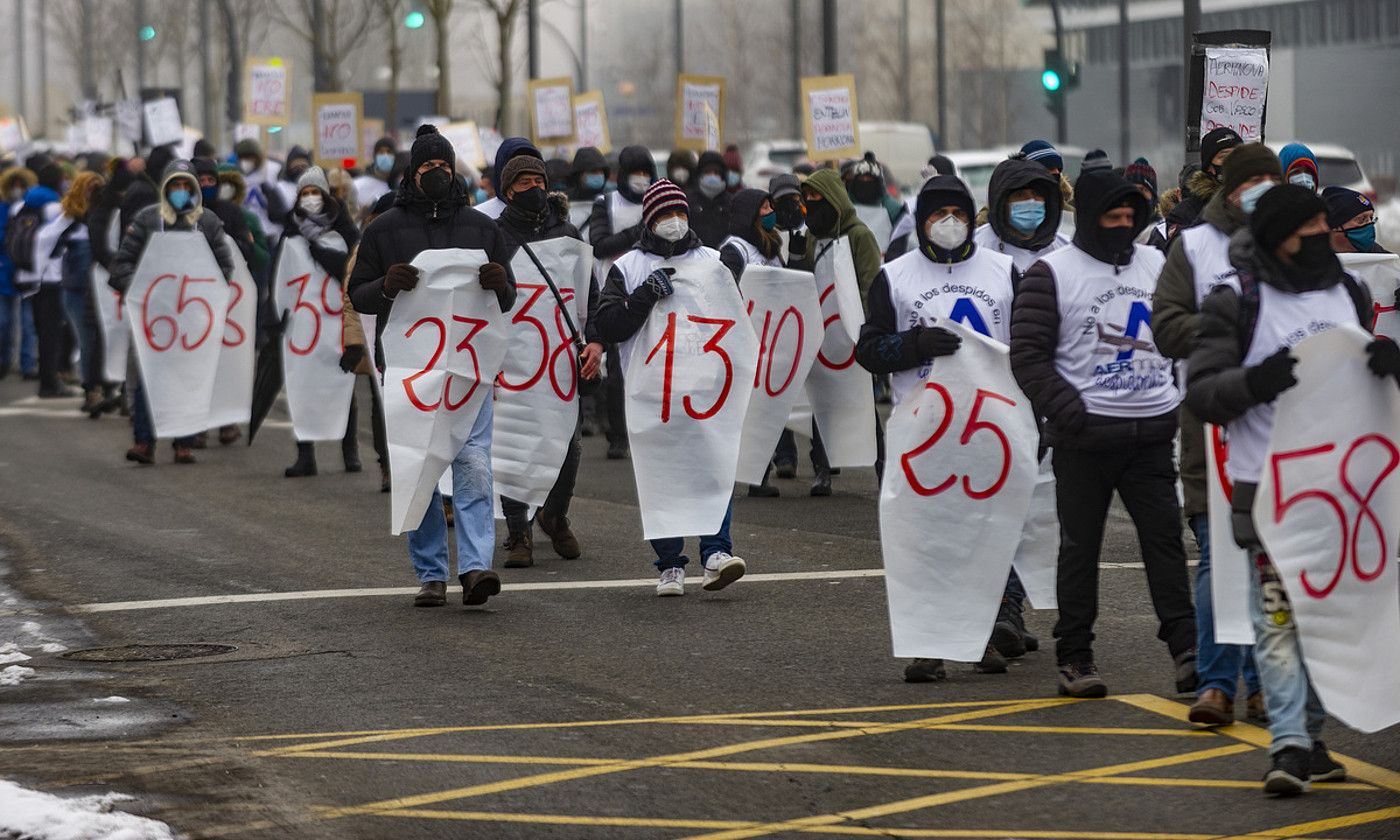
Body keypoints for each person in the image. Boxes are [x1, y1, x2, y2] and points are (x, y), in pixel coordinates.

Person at [1185, 184, 1381, 795]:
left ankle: (1313, 737)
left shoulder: (1349, 292)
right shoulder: (1236, 300)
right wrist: (1255, 383)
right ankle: (1289, 746)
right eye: (1312, 224)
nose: (1324, 232)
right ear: (1279, 235)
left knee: (1326, 616)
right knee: (1277, 620)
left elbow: (1362, 369)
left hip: (1343, 494)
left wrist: (1388, 366)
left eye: (1327, 222)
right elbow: (1204, 392)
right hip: (1268, 491)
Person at [1009, 170, 1197, 699]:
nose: (1123, 225)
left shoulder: (1156, 263)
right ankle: (1075, 657)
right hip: (1085, 439)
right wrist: (1070, 413)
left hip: (1152, 434)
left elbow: (1181, 332)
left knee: (1164, 545)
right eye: (1112, 217)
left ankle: (1187, 650)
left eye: (1130, 217)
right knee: (1079, 550)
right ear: (1090, 217)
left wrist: (1177, 398)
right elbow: (1028, 356)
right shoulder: (1052, 273)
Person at [856, 174, 1032, 681]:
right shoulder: (894, 276)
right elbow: (868, 350)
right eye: (938, 215)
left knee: (985, 535)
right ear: (922, 221)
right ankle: (928, 646)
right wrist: (913, 346)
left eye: (958, 212)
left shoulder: (1004, 271)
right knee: (925, 540)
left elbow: (1026, 346)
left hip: (990, 426)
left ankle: (981, 638)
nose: (949, 223)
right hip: (923, 431)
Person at [347, 124, 516, 610]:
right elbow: (358, 293)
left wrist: (500, 280)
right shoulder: (384, 228)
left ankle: (477, 566)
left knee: (473, 463)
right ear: (413, 174)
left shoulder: (483, 228)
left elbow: (507, 300)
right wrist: (386, 284)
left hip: (469, 366)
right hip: (410, 371)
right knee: (419, 463)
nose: (438, 174)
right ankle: (431, 574)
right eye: (428, 168)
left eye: (445, 166)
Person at [1152, 142, 1281, 725]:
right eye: (1252, 184)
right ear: (1229, 188)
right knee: (1218, 557)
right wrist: (1231, 324)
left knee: (1271, 559)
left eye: (1270, 183)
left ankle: (1264, 683)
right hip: (1211, 421)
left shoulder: (1293, 245)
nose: (1261, 193)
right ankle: (1217, 684)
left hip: (1281, 421)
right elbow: (1167, 325)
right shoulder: (1194, 247)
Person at [594, 179, 747, 597]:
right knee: (661, 469)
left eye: (678, 212)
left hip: (704, 385)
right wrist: (642, 297)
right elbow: (607, 324)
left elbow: (735, 317)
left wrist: (736, 273)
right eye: (664, 215)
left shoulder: (711, 261)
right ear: (649, 219)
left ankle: (717, 553)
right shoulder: (629, 267)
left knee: (713, 460)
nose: (673, 221)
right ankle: (670, 564)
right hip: (652, 390)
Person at [492, 154, 601, 568]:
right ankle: (518, 532)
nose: (533, 188)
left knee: (568, 444)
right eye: (523, 182)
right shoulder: (495, 237)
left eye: (538, 180)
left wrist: (595, 343)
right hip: (515, 360)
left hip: (559, 361)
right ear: (507, 191)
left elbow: (588, 293)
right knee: (513, 443)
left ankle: (554, 515)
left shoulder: (568, 234)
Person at [110, 159, 235, 465]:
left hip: (193, 319)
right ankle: (144, 442)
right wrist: (139, 291)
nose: (181, 191)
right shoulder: (147, 220)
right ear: (165, 187)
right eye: (175, 185)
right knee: (148, 377)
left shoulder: (208, 223)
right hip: (154, 318)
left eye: (186, 186)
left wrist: (206, 294)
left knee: (188, 378)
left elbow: (224, 267)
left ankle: (184, 442)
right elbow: (122, 265)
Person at [800, 168, 884, 495]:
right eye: (807, 201)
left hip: (850, 332)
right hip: (819, 332)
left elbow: (870, 284)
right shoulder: (810, 236)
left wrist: (864, 330)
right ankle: (822, 469)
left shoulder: (859, 235)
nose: (811, 206)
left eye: (818, 199)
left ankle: (883, 468)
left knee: (861, 401)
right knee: (820, 401)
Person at [280, 165, 363, 478]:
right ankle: (305, 454)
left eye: (316, 192)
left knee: (342, 383)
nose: (311, 198)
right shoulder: (291, 230)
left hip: (335, 320)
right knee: (301, 385)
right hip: (303, 323)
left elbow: (352, 266)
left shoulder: (344, 229)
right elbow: (282, 276)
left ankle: (349, 449)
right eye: (305, 193)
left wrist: (318, 252)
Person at [718, 187, 786, 499]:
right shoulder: (735, 249)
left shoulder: (770, 246)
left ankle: (761, 471)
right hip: (747, 340)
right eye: (765, 207)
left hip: (772, 338)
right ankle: (745, 473)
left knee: (766, 408)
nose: (771, 211)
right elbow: (727, 290)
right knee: (746, 411)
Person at [589, 144, 655, 461]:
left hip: (654, 293)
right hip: (616, 291)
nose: (641, 179)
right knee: (617, 371)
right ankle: (618, 435)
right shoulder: (607, 204)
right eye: (635, 173)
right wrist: (638, 233)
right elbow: (600, 245)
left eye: (646, 173)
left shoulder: (660, 201)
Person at [11, 162, 70, 398]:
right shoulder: (55, 208)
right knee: (51, 332)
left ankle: (46, 378)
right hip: (51, 275)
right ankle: (49, 382)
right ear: (57, 182)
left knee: (38, 327)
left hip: (26, 275)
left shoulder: (20, 206)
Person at [57, 172, 106, 412]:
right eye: (89, 189)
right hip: (76, 290)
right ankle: (91, 391)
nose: (92, 195)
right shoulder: (69, 218)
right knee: (87, 342)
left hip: (100, 288)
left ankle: (101, 387)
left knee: (100, 341)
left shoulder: (103, 216)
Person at [974, 157, 1069, 273]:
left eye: (1036, 194)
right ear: (1003, 203)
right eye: (1020, 195)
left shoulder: (1064, 247)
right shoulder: (977, 246)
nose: (1031, 201)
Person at [1174, 127, 1243, 230]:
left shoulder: (1254, 200)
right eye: (1224, 157)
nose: (1232, 161)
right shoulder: (1187, 209)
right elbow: (1183, 242)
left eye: (1238, 155)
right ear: (1209, 167)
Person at [843, 152, 907, 257]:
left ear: (878, 183)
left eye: (870, 179)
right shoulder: (844, 207)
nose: (865, 182)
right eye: (862, 179)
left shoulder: (892, 208)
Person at [475, 137, 544, 221]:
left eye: (538, 181)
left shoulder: (555, 215)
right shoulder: (480, 216)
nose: (533, 186)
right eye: (525, 182)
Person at [233, 139, 288, 241]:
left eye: (250, 157)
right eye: (243, 158)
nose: (246, 161)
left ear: (257, 157)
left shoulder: (274, 170)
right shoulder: (237, 175)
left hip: (272, 232)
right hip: (249, 234)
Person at [686, 151, 732, 249]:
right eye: (708, 172)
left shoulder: (732, 203)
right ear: (700, 175)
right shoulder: (688, 201)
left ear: (722, 176)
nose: (712, 176)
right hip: (696, 257)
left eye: (716, 173)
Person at [1323, 186, 1388, 254]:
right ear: (1335, 226)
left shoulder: (1384, 259)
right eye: (1361, 219)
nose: (1370, 225)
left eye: (1371, 218)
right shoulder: (1315, 260)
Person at [1124, 158, 1168, 250]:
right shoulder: (1115, 230)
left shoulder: (1163, 233)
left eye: (1142, 190)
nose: (1136, 195)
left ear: (1152, 195)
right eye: (1131, 189)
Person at [568, 146, 609, 236]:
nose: (599, 175)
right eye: (593, 171)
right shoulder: (564, 206)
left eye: (601, 171)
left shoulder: (609, 203)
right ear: (579, 175)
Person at [353, 137, 398, 212]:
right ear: (375, 155)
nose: (385, 156)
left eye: (389, 152)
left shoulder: (399, 183)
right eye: (381, 152)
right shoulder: (361, 184)